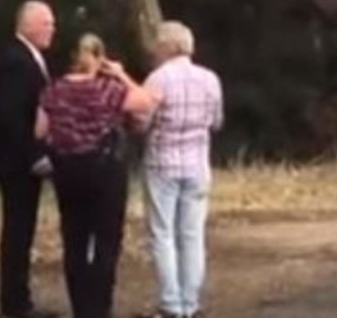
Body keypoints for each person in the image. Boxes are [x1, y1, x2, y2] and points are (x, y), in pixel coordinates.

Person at [36, 33, 156, 318]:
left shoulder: (53, 90)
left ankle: (80, 307)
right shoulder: (107, 89)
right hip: (104, 169)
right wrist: (121, 74)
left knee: (74, 238)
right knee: (106, 239)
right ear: (99, 58)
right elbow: (145, 102)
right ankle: (100, 307)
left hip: (67, 169)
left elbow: (39, 131)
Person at [138, 21, 224, 318]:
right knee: (192, 234)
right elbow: (216, 121)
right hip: (197, 163)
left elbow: (142, 120)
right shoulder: (210, 79)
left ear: (165, 47)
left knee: (162, 233)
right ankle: (191, 302)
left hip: (162, 162)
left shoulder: (157, 79)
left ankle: (171, 303)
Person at [0, 0, 57, 318]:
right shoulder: (17, 60)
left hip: (19, 159)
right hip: (17, 162)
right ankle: (15, 304)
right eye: (46, 23)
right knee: (17, 231)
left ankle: (19, 299)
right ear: (27, 24)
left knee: (22, 230)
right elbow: (11, 116)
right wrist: (34, 155)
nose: (52, 29)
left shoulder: (28, 57)